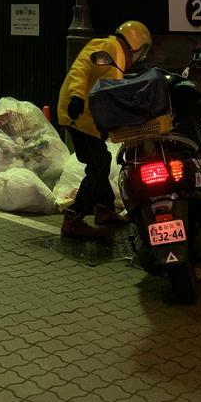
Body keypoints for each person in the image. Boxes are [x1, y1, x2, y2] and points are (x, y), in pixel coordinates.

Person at [57, 20, 153, 239]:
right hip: (78, 115)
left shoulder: (116, 55)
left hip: (88, 118)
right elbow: (80, 69)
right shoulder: (108, 47)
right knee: (98, 166)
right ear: (137, 45)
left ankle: (105, 210)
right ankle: (73, 218)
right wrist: (77, 97)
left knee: (101, 159)